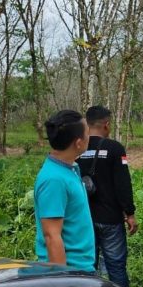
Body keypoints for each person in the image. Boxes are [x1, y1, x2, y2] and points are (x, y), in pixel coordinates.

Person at [77, 106, 138, 287]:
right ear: (107, 124)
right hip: (111, 219)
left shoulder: (77, 149)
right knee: (116, 268)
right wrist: (129, 213)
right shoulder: (115, 148)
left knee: (88, 268)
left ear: (87, 124)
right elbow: (123, 184)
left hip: (85, 220)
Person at [33, 110, 95, 271]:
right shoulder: (53, 180)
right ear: (78, 143)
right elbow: (52, 236)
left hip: (82, 268)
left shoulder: (70, 168)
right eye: (88, 132)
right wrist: (62, 283)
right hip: (72, 273)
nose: (90, 136)